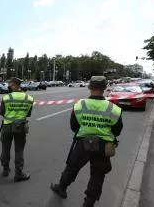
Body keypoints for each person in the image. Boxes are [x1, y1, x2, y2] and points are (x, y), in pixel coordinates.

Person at [50, 76, 123, 207]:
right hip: (103, 146)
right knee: (97, 175)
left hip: (83, 143)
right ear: (105, 88)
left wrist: (86, 131)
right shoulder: (114, 109)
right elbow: (117, 130)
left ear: (89, 87)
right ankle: (88, 203)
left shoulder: (80, 105)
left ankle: (61, 188)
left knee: (72, 168)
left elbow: (74, 126)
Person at [0, 77, 34, 182]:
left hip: (7, 125)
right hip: (20, 126)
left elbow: (1, 112)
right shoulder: (29, 98)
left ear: (14, 85)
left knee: (5, 148)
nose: (9, 86)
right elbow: (28, 114)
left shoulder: (6, 97)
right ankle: (18, 173)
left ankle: (5, 169)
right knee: (19, 150)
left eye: (10, 84)